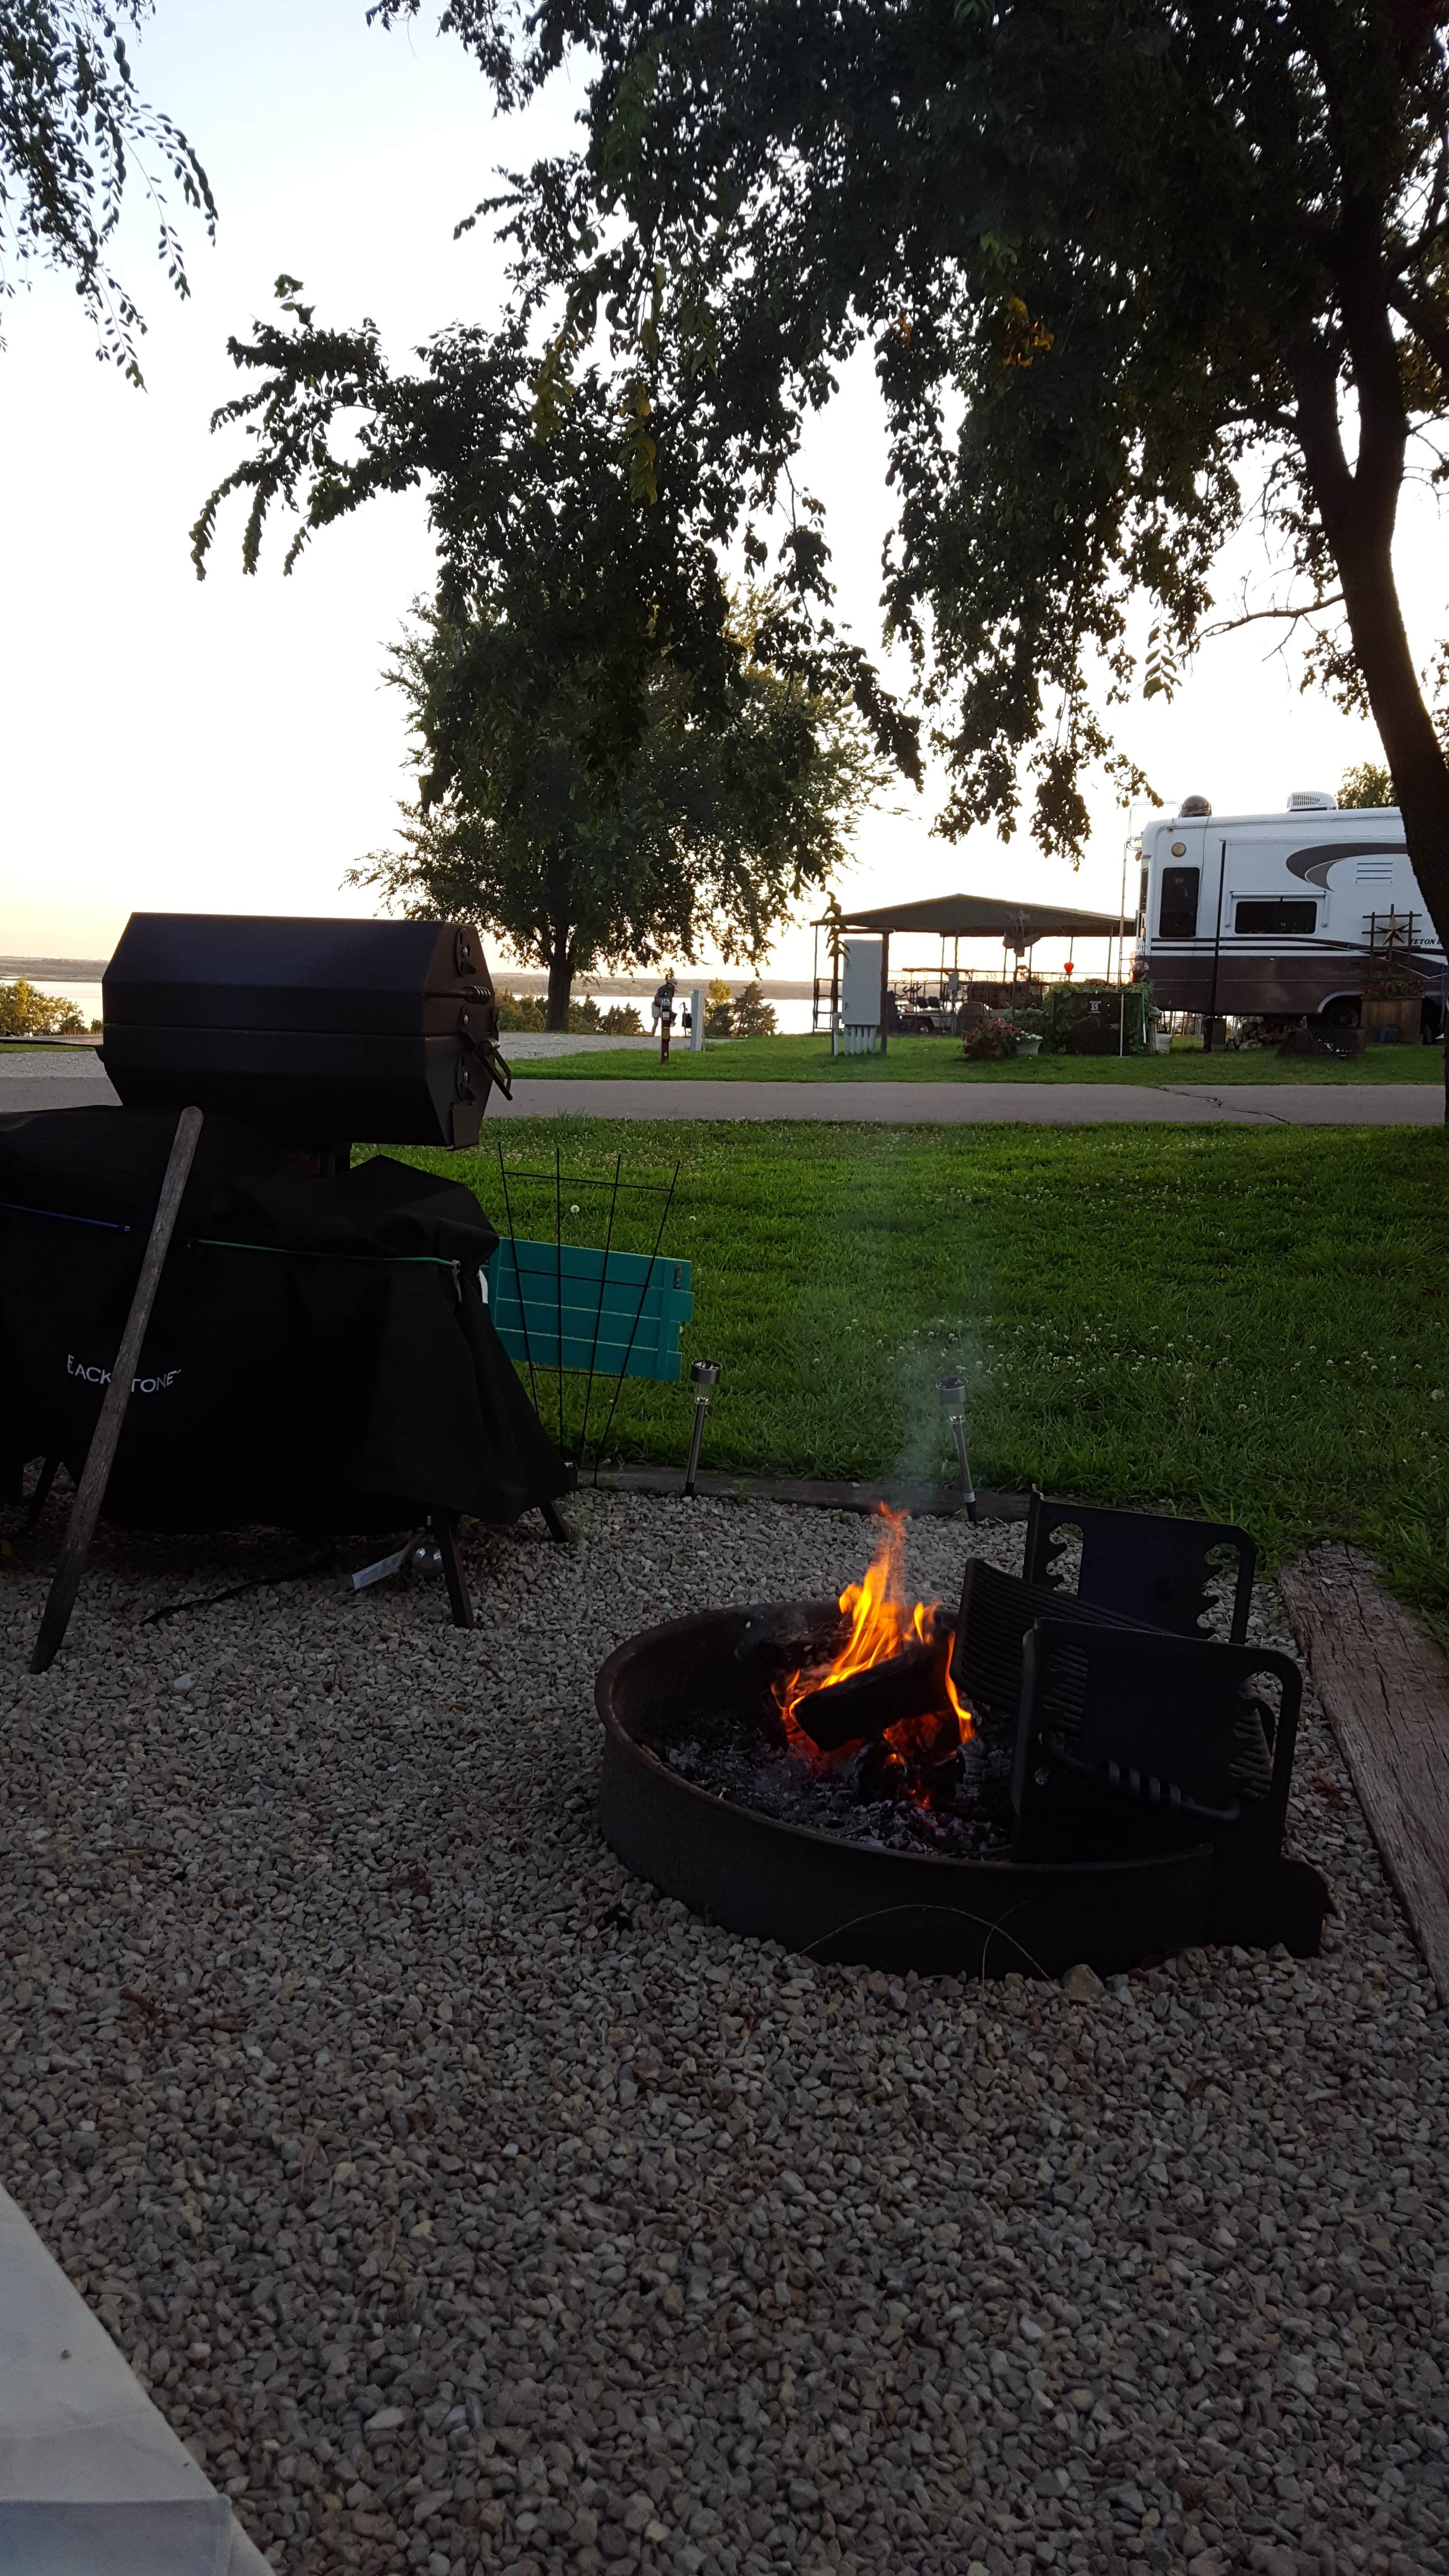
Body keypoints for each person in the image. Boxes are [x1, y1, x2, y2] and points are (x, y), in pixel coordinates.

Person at [654, 971, 677, 1063]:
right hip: (658, 1007)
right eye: (673, 986)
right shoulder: (662, 989)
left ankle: (672, 1022)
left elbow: (670, 1000)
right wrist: (658, 1003)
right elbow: (656, 997)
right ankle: (652, 1034)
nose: (673, 987)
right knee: (656, 1022)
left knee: (672, 1015)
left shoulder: (672, 991)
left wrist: (670, 1007)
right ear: (669, 984)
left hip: (667, 1008)